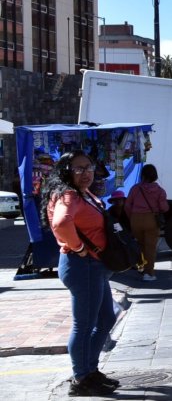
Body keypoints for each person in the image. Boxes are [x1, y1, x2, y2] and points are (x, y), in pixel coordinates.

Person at [42, 150, 122, 396]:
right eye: (78, 168)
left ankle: (90, 370)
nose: (86, 173)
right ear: (66, 171)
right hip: (82, 266)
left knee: (106, 318)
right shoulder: (68, 194)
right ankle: (81, 378)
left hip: (93, 267)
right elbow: (60, 223)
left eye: (88, 167)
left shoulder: (81, 193)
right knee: (84, 325)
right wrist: (78, 247)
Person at [127, 165, 168, 282]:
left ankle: (140, 267)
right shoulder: (160, 191)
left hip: (135, 219)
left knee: (140, 245)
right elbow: (164, 208)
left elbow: (127, 205)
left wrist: (132, 217)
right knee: (150, 248)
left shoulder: (135, 188)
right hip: (151, 220)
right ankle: (148, 273)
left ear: (143, 175)